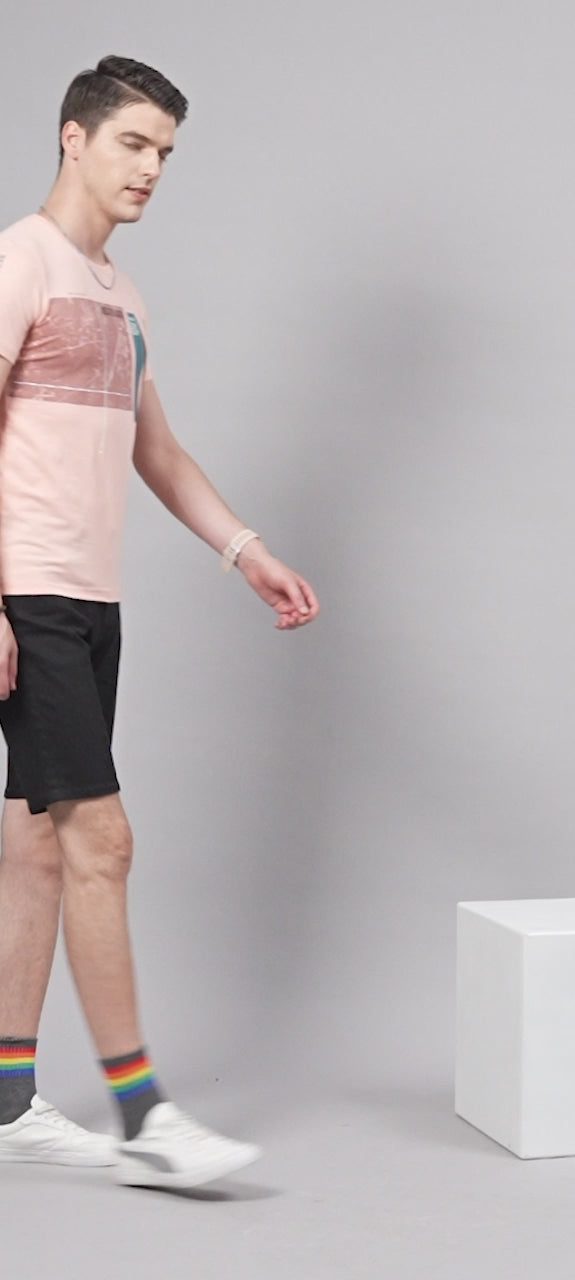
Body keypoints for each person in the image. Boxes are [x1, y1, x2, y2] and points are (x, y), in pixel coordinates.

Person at [0, 55, 319, 1189]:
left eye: (166, 153)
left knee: (37, 846)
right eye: (133, 143)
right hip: (30, 593)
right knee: (104, 841)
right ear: (73, 137)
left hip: (93, 603)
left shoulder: (123, 296)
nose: (151, 168)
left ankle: (7, 1102)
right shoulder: (20, 262)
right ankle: (145, 1116)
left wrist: (247, 550)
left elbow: (158, 450)